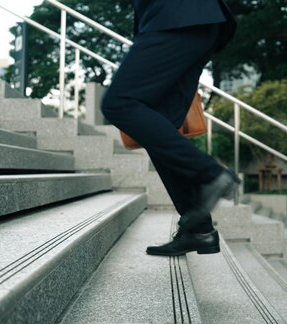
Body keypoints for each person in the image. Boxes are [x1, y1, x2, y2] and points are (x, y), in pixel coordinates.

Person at [101, 0, 239, 256]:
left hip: (177, 16)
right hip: (194, 20)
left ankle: (211, 174)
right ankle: (198, 230)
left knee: (119, 103)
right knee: (157, 124)